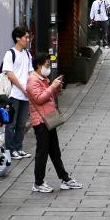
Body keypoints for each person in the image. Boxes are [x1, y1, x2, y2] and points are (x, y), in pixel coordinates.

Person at [27, 53, 83, 193]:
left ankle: (65, 179)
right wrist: (52, 87)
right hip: (40, 122)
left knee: (54, 151)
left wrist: (56, 87)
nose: (48, 67)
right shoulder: (33, 80)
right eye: (46, 64)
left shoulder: (43, 78)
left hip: (49, 119)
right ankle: (38, 183)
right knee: (42, 152)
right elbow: (39, 99)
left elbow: (50, 95)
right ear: (39, 65)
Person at [3, 26, 33, 161]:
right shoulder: (10, 53)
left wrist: (31, 88)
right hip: (14, 94)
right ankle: (10, 150)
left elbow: (30, 72)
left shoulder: (27, 54)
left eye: (28, 37)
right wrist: (22, 87)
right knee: (11, 124)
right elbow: (10, 74)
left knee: (22, 124)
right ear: (17, 38)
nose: (28, 40)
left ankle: (18, 148)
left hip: (25, 95)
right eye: (25, 37)